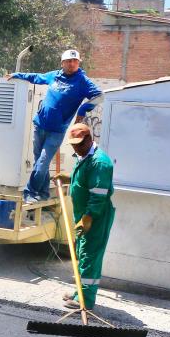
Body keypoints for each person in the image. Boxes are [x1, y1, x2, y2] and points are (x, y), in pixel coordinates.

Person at [6, 49, 102, 204]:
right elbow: (37, 77)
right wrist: (18, 75)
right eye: (68, 61)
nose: (72, 64)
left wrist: (83, 110)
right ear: (62, 63)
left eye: (75, 61)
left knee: (42, 162)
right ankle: (43, 193)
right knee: (39, 161)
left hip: (56, 131)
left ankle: (30, 192)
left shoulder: (82, 81)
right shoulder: (55, 75)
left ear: (78, 63)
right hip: (40, 125)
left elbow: (99, 96)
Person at [53, 123, 115, 311]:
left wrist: (88, 217)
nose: (76, 148)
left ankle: (86, 300)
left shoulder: (99, 162)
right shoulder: (84, 157)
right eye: (73, 145)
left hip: (95, 217)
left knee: (90, 256)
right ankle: (79, 291)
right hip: (84, 216)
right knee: (81, 253)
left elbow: (98, 195)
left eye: (79, 144)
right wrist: (69, 178)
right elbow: (86, 179)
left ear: (89, 139)